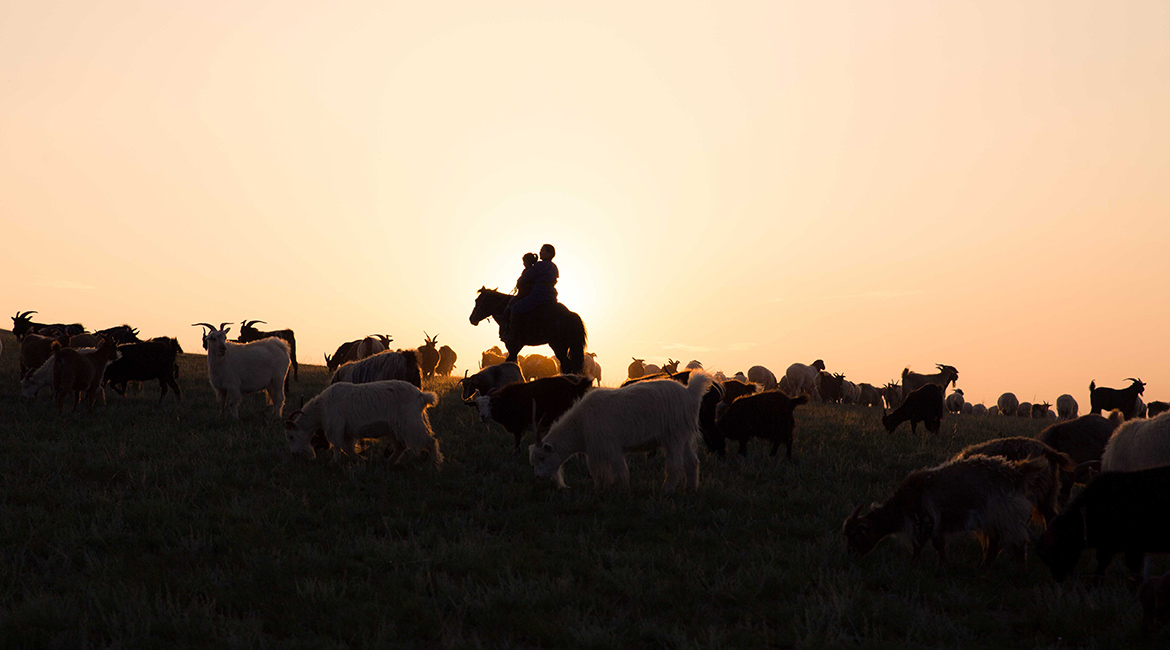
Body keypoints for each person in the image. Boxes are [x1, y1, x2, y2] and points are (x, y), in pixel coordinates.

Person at [500, 244, 559, 342]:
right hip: (551, 295)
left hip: (538, 294)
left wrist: (519, 282)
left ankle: (513, 335)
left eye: (543, 251)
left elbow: (526, 277)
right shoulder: (554, 267)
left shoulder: (539, 265)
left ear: (550, 254)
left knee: (515, 308)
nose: (540, 252)